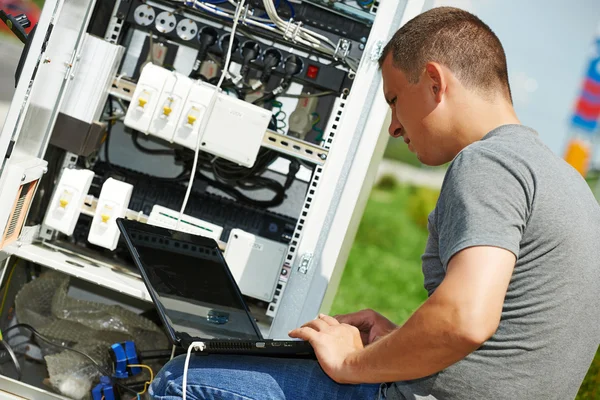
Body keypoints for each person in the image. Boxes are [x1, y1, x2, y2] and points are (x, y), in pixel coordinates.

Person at [150, 7, 600, 400]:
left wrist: (353, 364)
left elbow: (466, 319)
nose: (393, 127)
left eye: (394, 101)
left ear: (434, 82)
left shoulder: (488, 163)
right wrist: (397, 344)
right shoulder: (568, 183)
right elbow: (506, 346)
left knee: (183, 377)